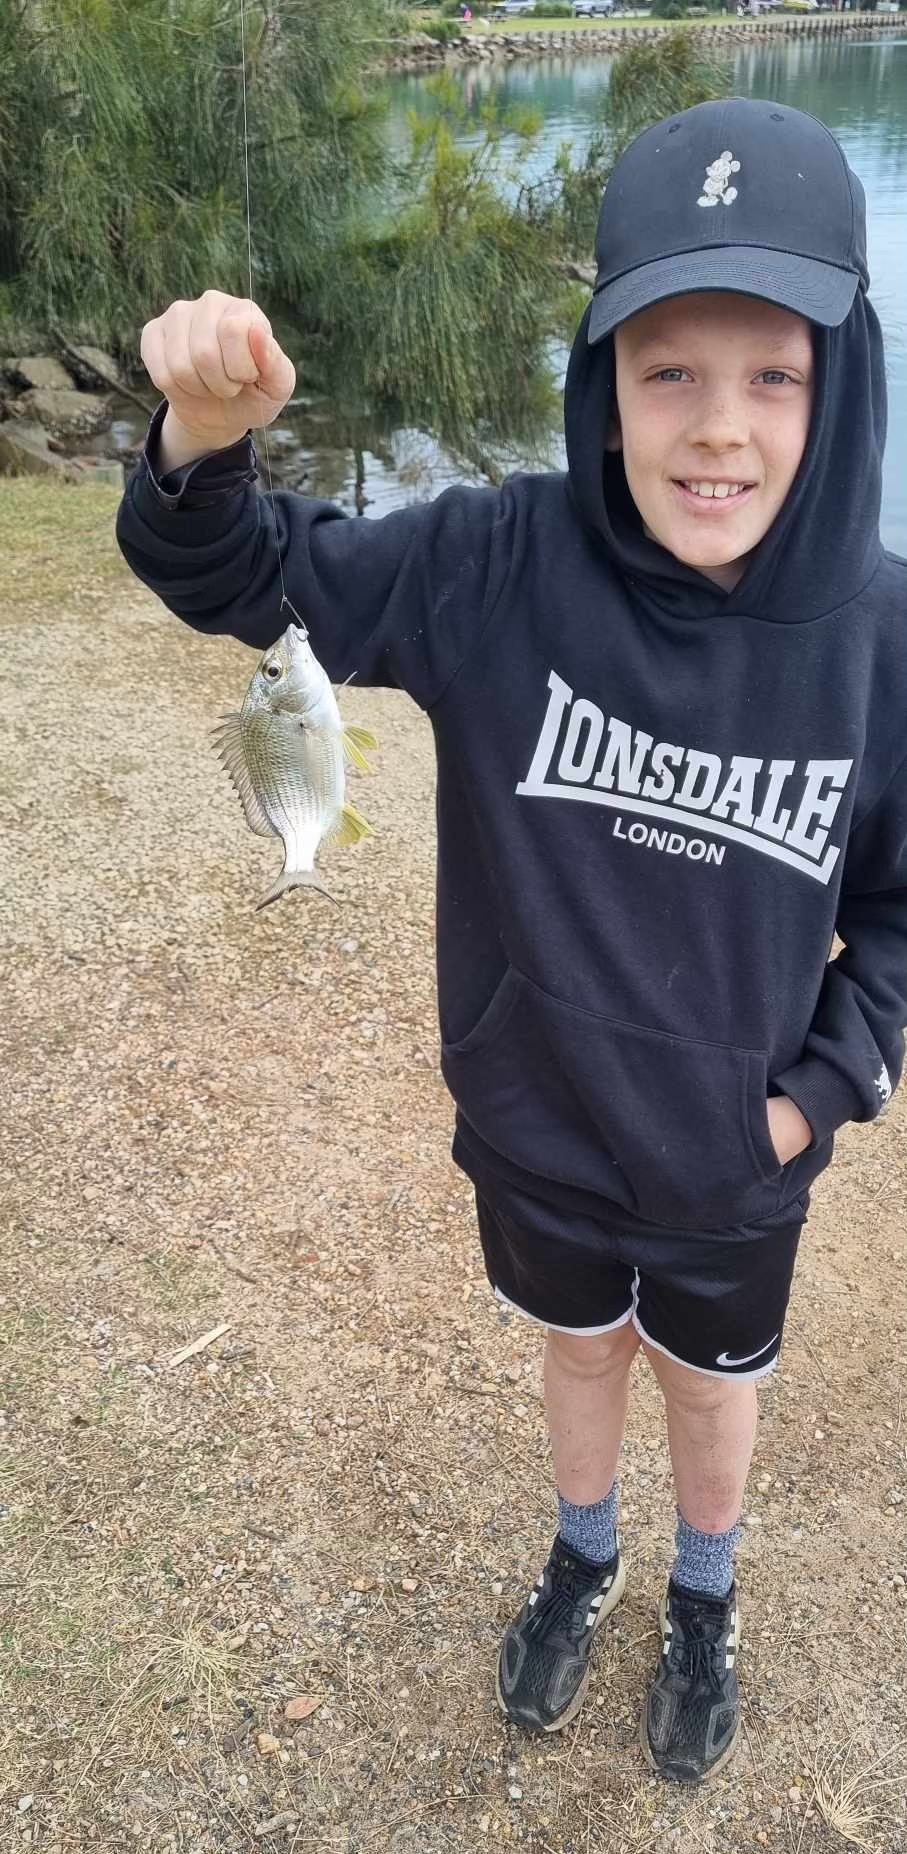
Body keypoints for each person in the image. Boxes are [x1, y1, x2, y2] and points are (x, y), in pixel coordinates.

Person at [115, 96, 907, 1784]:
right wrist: (201, 445)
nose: (718, 427)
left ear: (841, 383)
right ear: (601, 378)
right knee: (580, 1349)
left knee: (709, 1379)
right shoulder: (495, 563)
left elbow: (901, 909)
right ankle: (584, 1550)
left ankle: (703, 1591)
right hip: (538, 1131)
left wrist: (813, 1095)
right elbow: (252, 579)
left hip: (735, 1163)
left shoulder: (885, 641)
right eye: (667, 371)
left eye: (773, 375)